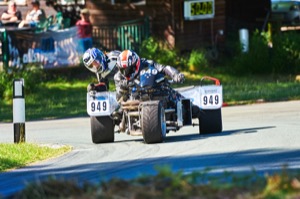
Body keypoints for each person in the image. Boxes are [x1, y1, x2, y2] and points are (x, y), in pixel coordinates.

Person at [114, 49, 185, 102]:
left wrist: (175, 74)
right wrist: (122, 89)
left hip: (156, 91)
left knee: (183, 101)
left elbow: (164, 68)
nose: (126, 72)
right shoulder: (118, 77)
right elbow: (119, 99)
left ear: (136, 64)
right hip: (135, 100)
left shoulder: (147, 63)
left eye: (129, 69)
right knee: (118, 113)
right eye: (123, 70)